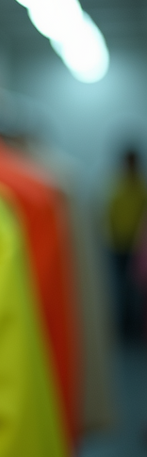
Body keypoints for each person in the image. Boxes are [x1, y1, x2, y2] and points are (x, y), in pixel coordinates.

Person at [107, 147, 147, 342]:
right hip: (117, 245)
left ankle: (133, 326)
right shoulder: (115, 185)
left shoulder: (142, 187)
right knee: (120, 286)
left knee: (136, 289)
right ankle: (122, 326)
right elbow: (108, 214)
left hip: (137, 247)